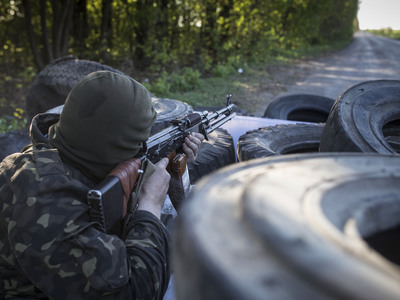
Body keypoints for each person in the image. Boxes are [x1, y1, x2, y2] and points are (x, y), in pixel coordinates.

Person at [0, 71, 203, 299]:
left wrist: (172, 168)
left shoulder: (62, 151)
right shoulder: (43, 204)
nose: (141, 151)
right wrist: (150, 205)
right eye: (137, 145)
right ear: (110, 148)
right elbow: (137, 291)